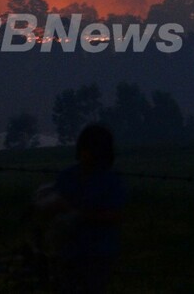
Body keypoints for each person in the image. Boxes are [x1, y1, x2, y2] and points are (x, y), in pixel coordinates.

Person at [35, 124, 126, 293]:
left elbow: (115, 214)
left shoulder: (109, 180)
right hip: (69, 250)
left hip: (98, 253)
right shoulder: (69, 176)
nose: (86, 154)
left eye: (91, 150)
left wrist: (77, 214)